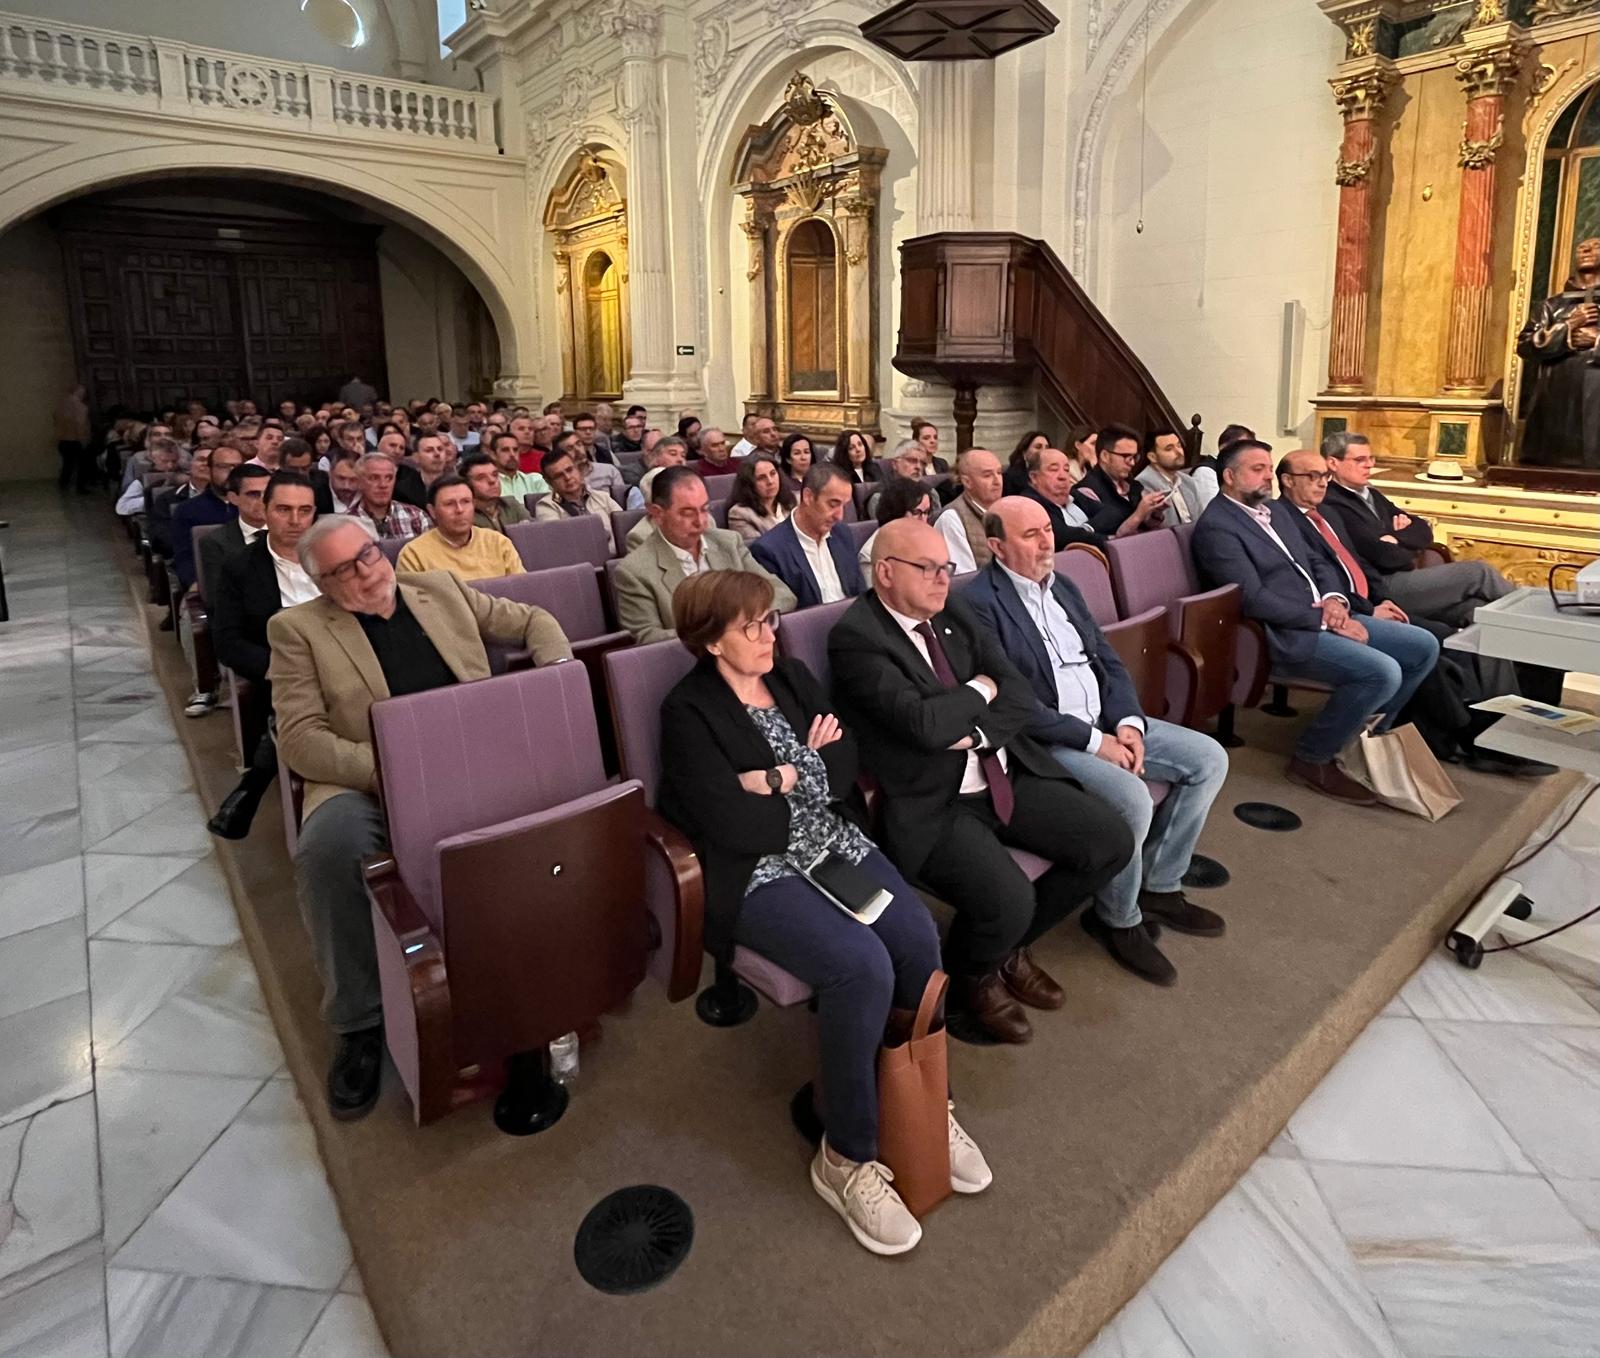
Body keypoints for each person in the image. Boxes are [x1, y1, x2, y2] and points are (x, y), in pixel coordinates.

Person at [658, 571, 989, 1255]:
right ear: (711, 641)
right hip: (757, 872)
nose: (767, 634)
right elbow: (727, 821)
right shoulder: (687, 711)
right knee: (859, 966)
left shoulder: (791, 675)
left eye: (769, 619)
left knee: (918, 938)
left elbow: (843, 764)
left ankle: (926, 1105)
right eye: (749, 627)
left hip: (832, 843)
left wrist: (778, 777)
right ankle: (845, 1156)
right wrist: (802, 771)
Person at [269, 516, 572, 1117]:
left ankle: (542, 986)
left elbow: (534, 620)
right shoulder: (296, 629)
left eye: (369, 554)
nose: (368, 571)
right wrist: (390, 768)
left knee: (557, 810)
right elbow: (300, 738)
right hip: (368, 779)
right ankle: (359, 1020)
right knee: (329, 850)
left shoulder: (439, 587)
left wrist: (556, 672)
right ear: (322, 584)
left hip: (472, 758)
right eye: (346, 569)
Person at [829, 518, 1133, 1044]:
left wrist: (973, 730)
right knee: (1009, 899)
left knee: (1110, 841)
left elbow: (1016, 691)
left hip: (999, 769)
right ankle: (972, 976)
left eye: (946, 567)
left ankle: (1003, 950)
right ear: (885, 572)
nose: (943, 579)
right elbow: (924, 728)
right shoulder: (857, 638)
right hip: (934, 801)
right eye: (927, 569)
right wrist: (979, 689)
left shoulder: (955, 614)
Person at [964, 498, 1230, 984]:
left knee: (1209, 758)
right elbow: (1015, 703)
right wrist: (1095, 743)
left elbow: (1106, 661)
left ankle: (1161, 884)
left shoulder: (1063, 585)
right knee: (1132, 800)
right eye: (1031, 535)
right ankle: (1116, 918)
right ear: (997, 546)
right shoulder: (978, 604)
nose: (1047, 541)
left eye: (1048, 528)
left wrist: (1128, 722)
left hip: (1106, 721)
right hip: (1050, 740)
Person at [1275, 450, 1553, 778]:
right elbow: (1322, 574)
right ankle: (1468, 735)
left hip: (1370, 597)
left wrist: (1383, 579)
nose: (1322, 483)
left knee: (1473, 620)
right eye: (1313, 476)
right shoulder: (1284, 518)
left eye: (1323, 476)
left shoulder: (1331, 513)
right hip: (1344, 610)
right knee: (1432, 641)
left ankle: (1494, 719)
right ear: (1287, 480)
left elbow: (1380, 553)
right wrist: (1369, 606)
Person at [1191, 440, 1439, 805]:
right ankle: (1312, 758)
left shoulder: (1273, 511)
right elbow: (1252, 598)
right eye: (1256, 469)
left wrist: (1335, 600)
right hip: (1282, 632)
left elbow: (1317, 561)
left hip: (1323, 612)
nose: (1267, 476)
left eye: (1268, 467)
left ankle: (1362, 739)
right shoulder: (1217, 527)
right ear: (1229, 477)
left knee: (1423, 645)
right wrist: (1322, 618)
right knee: (1382, 672)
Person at [207, 471, 320, 840]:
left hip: (342, 660)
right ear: (265, 510)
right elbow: (227, 642)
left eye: (305, 511)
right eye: (284, 509)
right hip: (281, 671)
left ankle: (255, 779)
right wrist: (278, 668)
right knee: (303, 701)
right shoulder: (239, 567)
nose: (295, 521)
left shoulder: (333, 556)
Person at [1321, 432, 1514, 628]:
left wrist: (1395, 538)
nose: (1369, 465)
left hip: (1406, 578)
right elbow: (1385, 556)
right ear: (1333, 463)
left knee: (1477, 611)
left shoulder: (1372, 494)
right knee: (1477, 572)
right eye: (1360, 460)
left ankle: (1528, 650)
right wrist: (1406, 544)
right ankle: (1532, 619)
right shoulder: (1332, 502)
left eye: (1371, 458)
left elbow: (1423, 529)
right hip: (1384, 586)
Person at [612, 466, 796, 644]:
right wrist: (721, 631)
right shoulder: (634, 571)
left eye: (704, 509)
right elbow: (647, 638)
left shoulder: (729, 543)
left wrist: (745, 621)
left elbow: (782, 594)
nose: (700, 522)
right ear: (658, 514)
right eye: (687, 513)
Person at [1515, 236, 1600, 469]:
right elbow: (1525, 346)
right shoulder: (1551, 306)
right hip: (1556, 402)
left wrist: (1597, 340)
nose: (1585, 249)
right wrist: (1567, 329)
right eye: (1582, 246)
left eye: (1596, 246)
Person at [751, 464, 862, 609]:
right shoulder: (769, 550)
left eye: (844, 506)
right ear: (808, 497)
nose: (839, 516)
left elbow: (860, 593)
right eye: (833, 504)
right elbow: (785, 615)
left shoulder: (843, 534)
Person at [397, 476, 524, 580]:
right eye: (449, 504)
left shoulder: (498, 542)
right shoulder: (414, 554)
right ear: (432, 511)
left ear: (474, 505)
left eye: (466, 502)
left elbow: (521, 590)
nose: (460, 510)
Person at [1073, 426, 1169, 537]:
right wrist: (1139, 514)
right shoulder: (1086, 490)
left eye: (1135, 457)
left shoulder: (1133, 486)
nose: (1132, 463)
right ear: (1105, 456)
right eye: (1126, 457)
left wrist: (1155, 513)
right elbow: (1105, 538)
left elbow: (1145, 526)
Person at [1020, 446, 1107, 551]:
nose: (1063, 476)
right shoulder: (1029, 504)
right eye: (1054, 469)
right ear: (1034, 477)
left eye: (1066, 469)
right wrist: (1106, 539)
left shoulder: (1074, 494)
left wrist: (1088, 527)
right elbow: (1062, 536)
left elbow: (1110, 514)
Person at [857, 476, 935, 588]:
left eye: (926, 512)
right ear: (897, 511)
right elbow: (878, 600)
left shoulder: (927, 541)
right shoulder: (870, 555)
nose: (923, 520)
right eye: (916, 512)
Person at [938, 448, 1005, 575]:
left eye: (999, 473)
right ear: (967, 482)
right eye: (987, 475)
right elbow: (964, 578)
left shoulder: (1008, 510)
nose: (997, 481)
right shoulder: (951, 518)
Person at [352, 454, 430, 542]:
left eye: (389, 478)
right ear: (359, 482)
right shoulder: (348, 524)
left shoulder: (417, 517)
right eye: (374, 478)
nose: (383, 485)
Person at [532, 443, 616, 522]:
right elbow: (557, 537)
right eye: (559, 476)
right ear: (549, 482)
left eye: (570, 470)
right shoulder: (546, 506)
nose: (567, 477)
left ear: (578, 468)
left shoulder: (603, 497)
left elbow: (623, 527)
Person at [1137, 427, 1203, 524]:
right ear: (1153, 457)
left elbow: (1201, 519)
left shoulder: (1188, 481)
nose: (1179, 452)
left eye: (1179, 445)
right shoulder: (1143, 483)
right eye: (1169, 448)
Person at [725, 453, 795, 543]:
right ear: (749, 484)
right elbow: (758, 551)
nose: (770, 481)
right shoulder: (739, 514)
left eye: (773, 474)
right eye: (761, 478)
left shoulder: (792, 502)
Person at [461, 451, 530, 534]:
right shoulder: (464, 515)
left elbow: (534, 533)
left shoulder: (512, 504)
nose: (492, 481)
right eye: (481, 478)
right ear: (466, 484)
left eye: (495, 475)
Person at [626, 434, 692, 512]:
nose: (680, 459)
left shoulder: (689, 479)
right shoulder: (650, 480)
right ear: (656, 458)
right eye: (673, 454)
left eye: (683, 455)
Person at [488, 429, 549, 503]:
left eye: (515, 449)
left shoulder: (534, 480)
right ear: (493, 455)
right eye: (505, 450)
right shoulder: (489, 484)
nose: (512, 454)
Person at [567, 430, 627, 506]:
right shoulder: (566, 479)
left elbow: (623, 501)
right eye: (570, 448)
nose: (577, 450)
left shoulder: (609, 470)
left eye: (579, 444)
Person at [56, 382, 93, 492]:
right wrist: (84, 440)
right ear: (78, 391)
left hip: (62, 439)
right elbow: (80, 424)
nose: (84, 394)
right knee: (83, 464)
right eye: (83, 392)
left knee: (67, 464)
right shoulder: (81, 407)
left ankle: (63, 484)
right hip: (76, 440)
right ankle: (80, 487)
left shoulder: (61, 406)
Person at [1003, 429, 1050, 497]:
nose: (1044, 451)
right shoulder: (1010, 477)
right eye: (1038, 447)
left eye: (1047, 447)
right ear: (1024, 453)